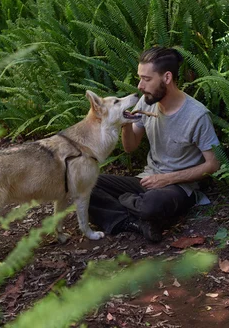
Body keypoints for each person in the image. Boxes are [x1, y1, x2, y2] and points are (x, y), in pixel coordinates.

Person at [88, 46, 221, 242]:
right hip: (147, 180)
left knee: (152, 204)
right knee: (86, 182)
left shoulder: (196, 115)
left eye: (147, 79)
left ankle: (125, 205)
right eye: (140, 78)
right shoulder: (146, 101)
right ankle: (133, 221)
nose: (140, 85)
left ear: (167, 78)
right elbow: (130, 147)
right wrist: (125, 125)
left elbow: (213, 164)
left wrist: (167, 179)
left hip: (178, 188)